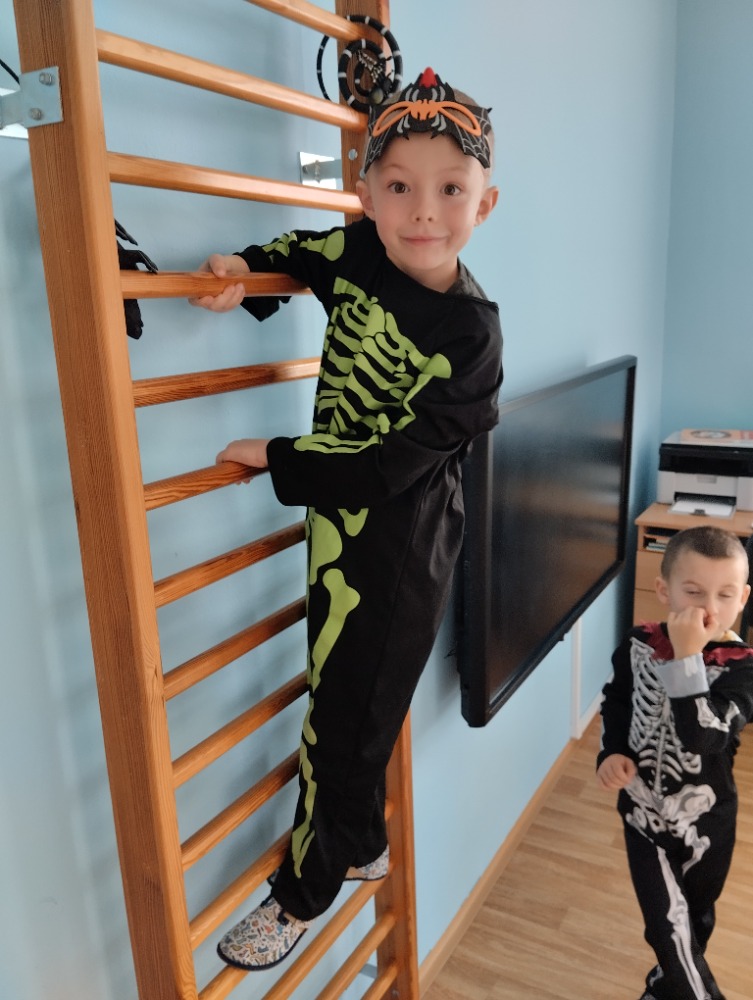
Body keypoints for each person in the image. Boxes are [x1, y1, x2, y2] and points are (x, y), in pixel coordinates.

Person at [188, 67, 502, 970]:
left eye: (450, 191)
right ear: (365, 194)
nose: (422, 212)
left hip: (397, 550)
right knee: (342, 698)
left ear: (484, 204)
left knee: (344, 724)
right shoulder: (360, 250)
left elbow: (387, 468)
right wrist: (244, 271)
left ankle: (306, 890)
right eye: (396, 186)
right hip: (335, 528)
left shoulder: (470, 337)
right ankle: (360, 843)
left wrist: (276, 456)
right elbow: (302, 252)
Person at [597, 525, 753, 1000]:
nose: (709, 609)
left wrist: (687, 658)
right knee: (666, 926)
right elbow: (617, 701)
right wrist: (612, 751)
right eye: (693, 591)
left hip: (708, 824)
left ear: (743, 598)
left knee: (694, 922)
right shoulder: (638, 644)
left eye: (725, 594)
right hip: (644, 815)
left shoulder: (742, 668)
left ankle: (664, 986)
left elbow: (704, 737)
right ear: (663, 590)